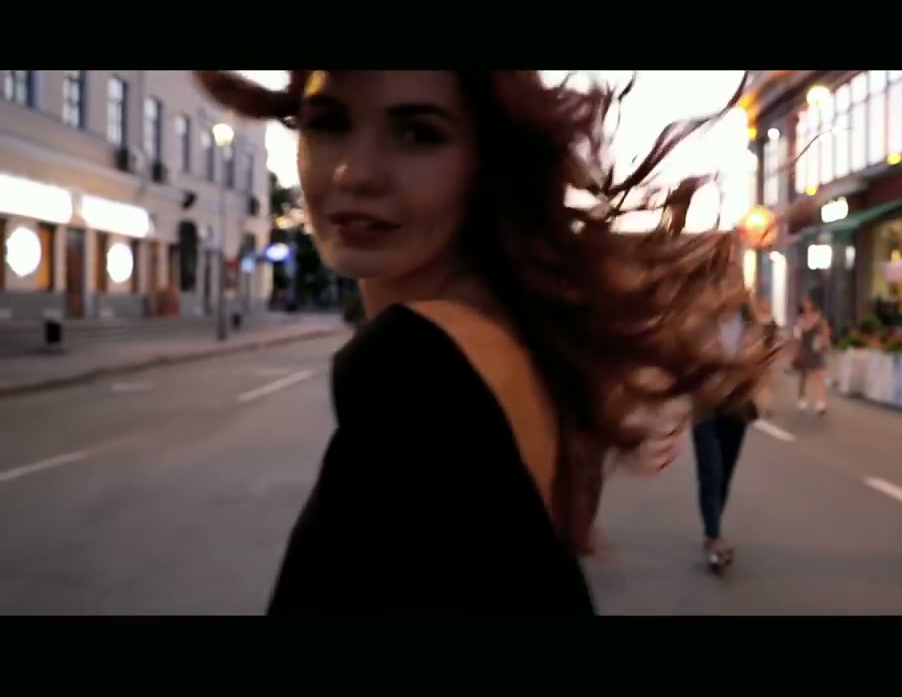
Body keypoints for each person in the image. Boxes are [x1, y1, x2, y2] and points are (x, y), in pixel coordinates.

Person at [194, 70, 774, 615]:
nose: (354, 173)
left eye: (418, 134)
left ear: (490, 161)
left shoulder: (414, 365)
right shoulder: (513, 339)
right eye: (328, 123)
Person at [691, 300, 760, 573]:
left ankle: (713, 526)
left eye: (734, 282)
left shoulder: (750, 323)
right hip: (705, 403)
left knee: (725, 473)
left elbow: (758, 362)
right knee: (711, 471)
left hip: (736, 405)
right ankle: (714, 536)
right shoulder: (700, 318)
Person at [794, 295, 831, 413]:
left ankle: (820, 402)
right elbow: (797, 336)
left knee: (819, 375)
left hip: (816, 349)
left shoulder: (819, 317)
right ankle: (802, 398)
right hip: (804, 349)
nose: (806, 303)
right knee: (804, 375)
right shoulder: (800, 319)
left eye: (808, 301)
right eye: (804, 302)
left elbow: (825, 332)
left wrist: (826, 343)